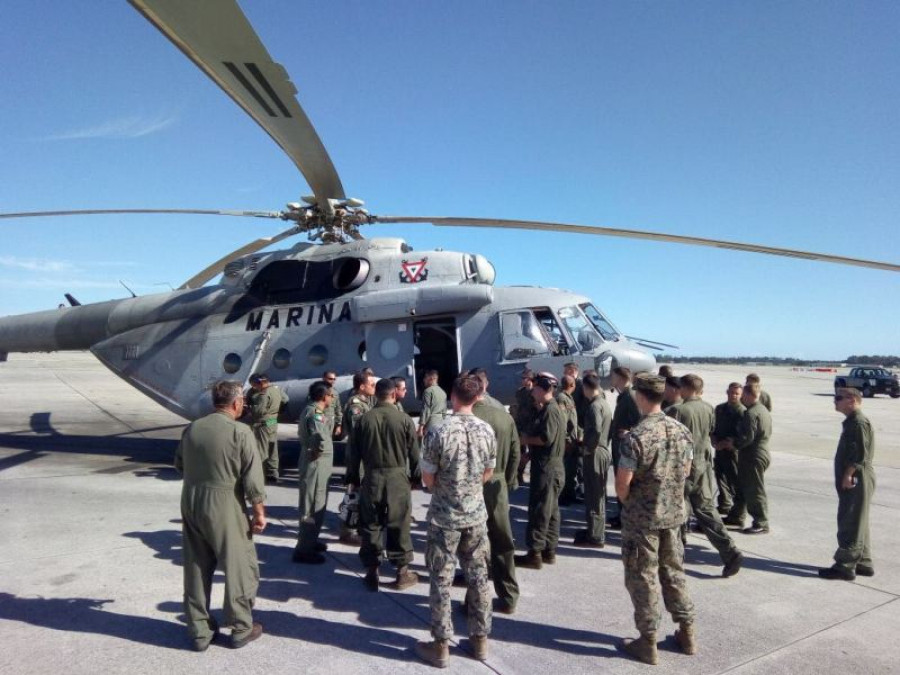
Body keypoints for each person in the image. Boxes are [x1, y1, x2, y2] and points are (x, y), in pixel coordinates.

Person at [175, 380, 266, 650]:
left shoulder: (192, 428)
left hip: (191, 500)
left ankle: (200, 631)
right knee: (240, 565)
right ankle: (240, 627)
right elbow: (252, 478)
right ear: (236, 403)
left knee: (196, 566)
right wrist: (259, 512)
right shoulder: (241, 432)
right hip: (224, 501)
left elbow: (180, 463)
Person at [416, 374, 497, 667]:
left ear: (452, 396)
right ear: (477, 398)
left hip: (444, 517)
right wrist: (469, 488)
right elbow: (488, 473)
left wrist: (446, 489)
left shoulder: (439, 431)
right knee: (479, 578)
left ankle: (440, 646)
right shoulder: (486, 430)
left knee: (441, 579)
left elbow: (427, 477)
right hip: (475, 515)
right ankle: (480, 640)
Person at [616, 373, 696, 665]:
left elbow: (622, 484)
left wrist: (633, 504)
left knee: (643, 578)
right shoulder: (681, 431)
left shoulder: (636, 437)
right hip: (673, 517)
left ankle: (647, 642)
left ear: (640, 395)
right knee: (674, 573)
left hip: (643, 521)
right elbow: (686, 470)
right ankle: (687, 632)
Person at [349, 378, 420, 591]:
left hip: (372, 477)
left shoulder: (363, 420)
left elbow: (353, 454)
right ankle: (401, 572)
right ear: (393, 394)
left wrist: (353, 478)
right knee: (399, 523)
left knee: (371, 525)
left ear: (376, 394)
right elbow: (415, 453)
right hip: (397, 477)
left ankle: (372, 571)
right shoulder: (404, 419)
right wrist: (416, 477)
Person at [670, 375, 743, 578]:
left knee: (678, 509)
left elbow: (677, 441)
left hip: (685, 465)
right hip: (703, 464)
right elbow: (711, 431)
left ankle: (676, 553)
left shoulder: (679, 410)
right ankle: (729, 551)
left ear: (684, 388)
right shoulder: (709, 408)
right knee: (706, 510)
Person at [472, 386, 521, 613]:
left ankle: (475, 599)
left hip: (473, 485)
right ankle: (509, 596)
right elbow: (515, 453)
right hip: (499, 483)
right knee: (503, 541)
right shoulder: (505, 417)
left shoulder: (469, 417)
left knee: (473, 544)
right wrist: (508, 482)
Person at [819, 388, 876, 580]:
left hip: (856, 478)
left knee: (850, 521)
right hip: (858, 477)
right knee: (859, 521)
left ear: (852, 400)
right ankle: (863, 562)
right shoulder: (853, 422)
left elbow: (860, 453)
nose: (834, 402)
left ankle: (844, 566)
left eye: (838, 398)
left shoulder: (858, 423)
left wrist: (849, 473)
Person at [515, 372, 566, 569]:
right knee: (550, 510)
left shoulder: (551, 410)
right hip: (548, 465)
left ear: (545, 389)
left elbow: (546, 439)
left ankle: (535, 553)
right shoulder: (547, 409)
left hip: (547, 468)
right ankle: (548, 551)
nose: (532, 391)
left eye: (535, 388)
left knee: (539, 510)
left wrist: (525, 440)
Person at [293, 380, 336, 564]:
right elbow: (320, 439)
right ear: (324, 396)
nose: (332, 398)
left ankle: (310, 540)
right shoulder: (315, 413)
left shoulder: (315, 411)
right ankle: (304, 549)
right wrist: (317, 452)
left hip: (319, 463)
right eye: (331, 395)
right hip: (316, 463)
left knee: (318, 502)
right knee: (311, 505)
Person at [725, 382, 772, 534]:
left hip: (753, 455)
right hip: (760, 452)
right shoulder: (762, 409)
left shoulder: (751, 413)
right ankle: (737, 515)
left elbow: (747, 437)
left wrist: (734, 443)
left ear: (749, 395)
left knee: (754, 490)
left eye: (743, 395)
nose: (741, 398)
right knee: (747, 488)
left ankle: (761, 522)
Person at [574, 372, 612, 548]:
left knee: (593, 495)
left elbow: (595, 431)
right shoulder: (604, 403)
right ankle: (596, 531)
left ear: (586, 388)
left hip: (595, 452)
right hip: (603, 450)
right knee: (599, 494)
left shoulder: (594, 407)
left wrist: (588, 448)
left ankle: (596, 536)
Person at [340, 370, 377, 545]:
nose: (374, 387)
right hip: (358, 455)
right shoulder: (356, 405)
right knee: (353, 490)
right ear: (362, 386)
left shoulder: (365, 402)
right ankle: (348, 530)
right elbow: (359, 432)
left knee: (361, 491)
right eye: (372, 384)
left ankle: (358, 525)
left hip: (362, 454)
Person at [608, 366, 641, 529]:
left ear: (620, 377)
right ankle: (622, 515)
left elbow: (640, 421)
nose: (610, 379)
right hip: (619, 445)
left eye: (613, 376)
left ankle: (627, 517)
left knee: (624, 482)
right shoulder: (623, 396)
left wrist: (630, 433)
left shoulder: (630, 396)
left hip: (625, 447)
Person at [712, 383, 745, 514]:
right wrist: (714, 440)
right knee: (720, 477)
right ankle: (724, 504)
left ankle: (737, 509)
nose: (733, 396)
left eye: (736, 393)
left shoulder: (742, 411)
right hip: (719, 449)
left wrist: (726, 443)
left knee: (734, 480)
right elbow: (713, 427)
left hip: (733, 451)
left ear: (741, 395)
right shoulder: (720, 409)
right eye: (731, 392)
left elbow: (742, 434)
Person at [246, 373, 284, 485]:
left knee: (261, 449)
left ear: (260, 383)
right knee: (273, 447)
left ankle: (260, 475)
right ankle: (273, 473)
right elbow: (286, 400)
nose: (253, 387)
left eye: (254, 385)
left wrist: (249, 409)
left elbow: (258, 411)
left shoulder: (263, 394)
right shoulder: (277, 390)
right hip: (272, 421)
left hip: (263, 423)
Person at [557, 374, 581, 505]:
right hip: (568, 442)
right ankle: (563, 496)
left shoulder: (569, 398)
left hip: (573, 440)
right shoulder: (562, 398)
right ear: (572, 385)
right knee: (565, 469)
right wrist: (566, 440)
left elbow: (573, 420)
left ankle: (570, 494)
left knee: (571, 469)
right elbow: (563, 421)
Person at [514, 369, 537, 484]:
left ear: (530, 379)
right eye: (522, 378)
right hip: (520, 426)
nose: (522, 380)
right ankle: (519, 474)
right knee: (520, 453)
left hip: (532, 428)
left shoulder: (536, 392)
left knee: (533, 453)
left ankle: (534, 476)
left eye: (524, 378)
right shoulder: (520, 392)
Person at [418, 369, 447, 436]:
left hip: (431, 424)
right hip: (441, 423)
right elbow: (444, 411)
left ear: (431, 378)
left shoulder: (428, 391)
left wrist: (421, 427)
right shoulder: (443, 392)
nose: (423, 380)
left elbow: (426, 410)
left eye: (425, 377)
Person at [322, 370, 343, 438]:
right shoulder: (317, 390)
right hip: (320, 423)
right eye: (330, 379)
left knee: (328, 444)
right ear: (324, 378)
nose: (333, 381)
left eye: (334, 379)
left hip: (331, 423)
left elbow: (338, 409)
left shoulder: (335, 392)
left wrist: (338, 425)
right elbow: (312, 409)